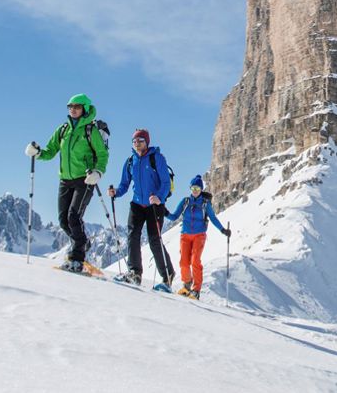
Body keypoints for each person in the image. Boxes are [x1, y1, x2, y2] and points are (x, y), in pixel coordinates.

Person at [25, 93, 109, 273]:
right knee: (63, 220)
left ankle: (76, 259)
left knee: (73, 216)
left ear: (85, 109)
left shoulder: (90, 130)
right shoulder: (63, 130)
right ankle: (82, 243)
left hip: (85, 179)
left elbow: (102, 154)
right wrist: (37, 152)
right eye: (70, 106)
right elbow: (50, 151)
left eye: (77, 107)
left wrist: (98, 172)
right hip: (65, 180)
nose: (73, 109)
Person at [108, 128, 173, 289]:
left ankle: (167, 276)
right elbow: (125, 184)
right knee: (133, 236)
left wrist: (159, 197)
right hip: (137, 204)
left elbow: (165, 182)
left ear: (147, 142)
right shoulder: (131, 161)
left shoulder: (156, 158)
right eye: (135, 141)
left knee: (154, 240)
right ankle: (135, 273)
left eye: (140, 141)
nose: (137, 144)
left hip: (154, 205)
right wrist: (116, 192)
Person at [166, 175, 230, 299]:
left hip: (199, 235)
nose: (195, 191)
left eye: (198, 188)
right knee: (184, 262)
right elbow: (174, 217)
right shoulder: (185, 202)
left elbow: (213, 218)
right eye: (193, 188)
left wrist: (223, 230)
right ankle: (186, 284)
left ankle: (196, 290)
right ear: (190, 188)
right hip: (185, 235)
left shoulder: (205, 204)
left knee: (195, 261)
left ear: (201, 190)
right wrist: (164, 212)